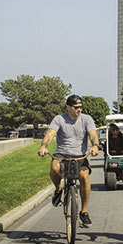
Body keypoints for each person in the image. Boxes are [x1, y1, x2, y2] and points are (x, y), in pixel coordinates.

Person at [38, 94, 99, 227]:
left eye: (81, 107)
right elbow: (50, 134)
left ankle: (84, 211)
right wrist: (43, 146)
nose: (79, 110)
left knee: (84, 177)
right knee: (54, 168)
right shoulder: (59, 119)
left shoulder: (87, 119)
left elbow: (93, 135)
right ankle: (58, 189)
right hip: (62, 154)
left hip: (80, 156)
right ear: (68, 107)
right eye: (76, 107)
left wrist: (95, 145)